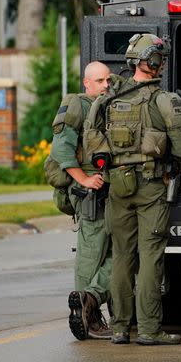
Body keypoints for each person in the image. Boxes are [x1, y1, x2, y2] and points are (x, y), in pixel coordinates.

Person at [84, 33, 181, 346]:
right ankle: (148, 330)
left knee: (121, 258)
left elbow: (91, 145)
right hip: (150, 187)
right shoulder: (165, 100)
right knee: (150, 258)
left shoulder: (106, 101)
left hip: (117, 186)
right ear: (155, 62)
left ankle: (120, 329)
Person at [50, 61, 113, 341]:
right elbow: (61, 150)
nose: (105, 85)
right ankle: (87, 315)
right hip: (89, 193)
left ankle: (90, 300)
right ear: (86, 83)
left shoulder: (109, 104)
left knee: (121, 253)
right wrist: (84, 179)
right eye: (99, 81)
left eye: (108, 80)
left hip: (111, 189)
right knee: (90, 255)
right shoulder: (77, 105)